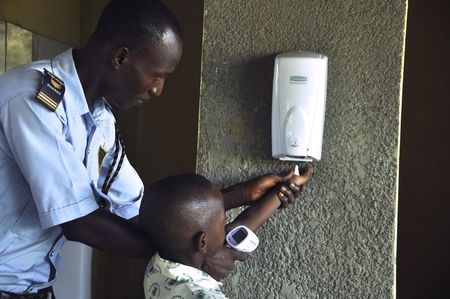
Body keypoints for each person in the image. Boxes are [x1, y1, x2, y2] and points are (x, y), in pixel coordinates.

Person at [0, 0, 304, 297]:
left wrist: (241, 195)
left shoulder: (100, 119)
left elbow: (147, 211)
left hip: (31, 287)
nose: (157, 90)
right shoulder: (32, 100)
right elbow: (77, 222)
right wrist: (196, 259)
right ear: (120, 57)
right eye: (157, 75)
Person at [139, 165, 313, 299]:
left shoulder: (157, 268)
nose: (226, 226)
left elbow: (240, 228)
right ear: (202, 243)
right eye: (223, 222)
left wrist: (279, 193)